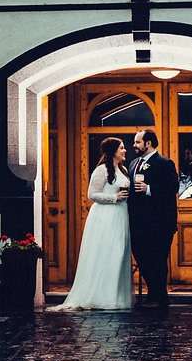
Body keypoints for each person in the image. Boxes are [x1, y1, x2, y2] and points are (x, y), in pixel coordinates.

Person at [48, 137, 133, 311]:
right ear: (113, 151)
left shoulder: (123, 169)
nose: (125, 150)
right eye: (122, 148)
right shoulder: (101, 170)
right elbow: (92, 194)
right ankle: (101, 297)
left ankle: (117, 297)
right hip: (105, 217)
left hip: (121, 216)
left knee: (119, 255)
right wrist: (114, 197)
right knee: (107, 255)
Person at [128, 128, 179, 309]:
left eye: (138, 142)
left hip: (159, 223)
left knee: (157, 259)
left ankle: (159, 297)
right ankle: (153, 294)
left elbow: (172, 187)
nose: (134, 145)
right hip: (138, 223)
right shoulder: (134, 163)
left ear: (148, 143)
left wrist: (149, 189)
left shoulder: (165, 163)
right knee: (142, 258)